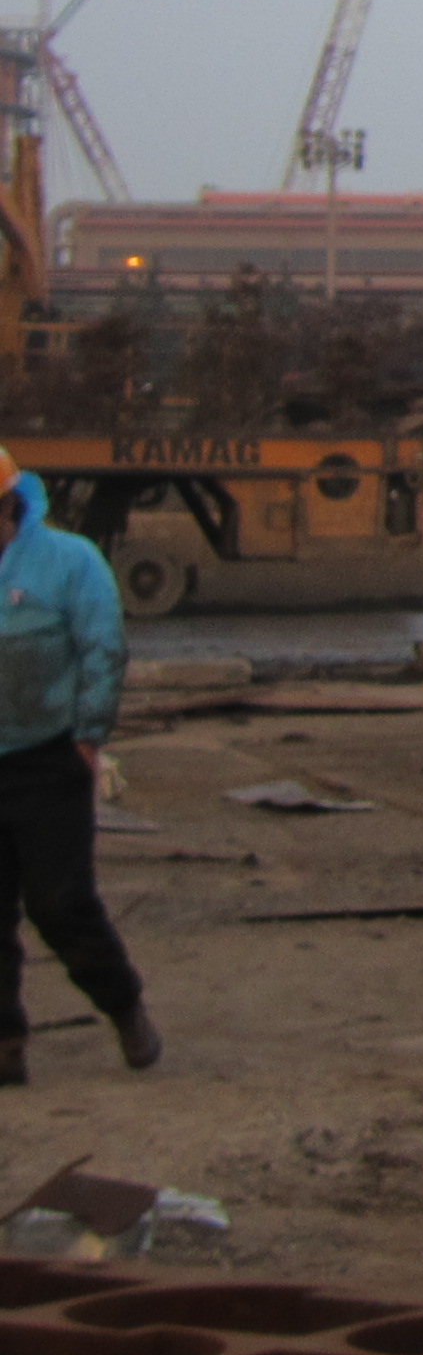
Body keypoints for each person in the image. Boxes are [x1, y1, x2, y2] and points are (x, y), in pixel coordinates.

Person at [0, 453, 158, 1082]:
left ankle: (123, 1006)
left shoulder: (69, 563)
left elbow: (103, 648)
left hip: (48, 759)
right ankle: (5, 1046)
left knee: (59, 903)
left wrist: (89, 737)